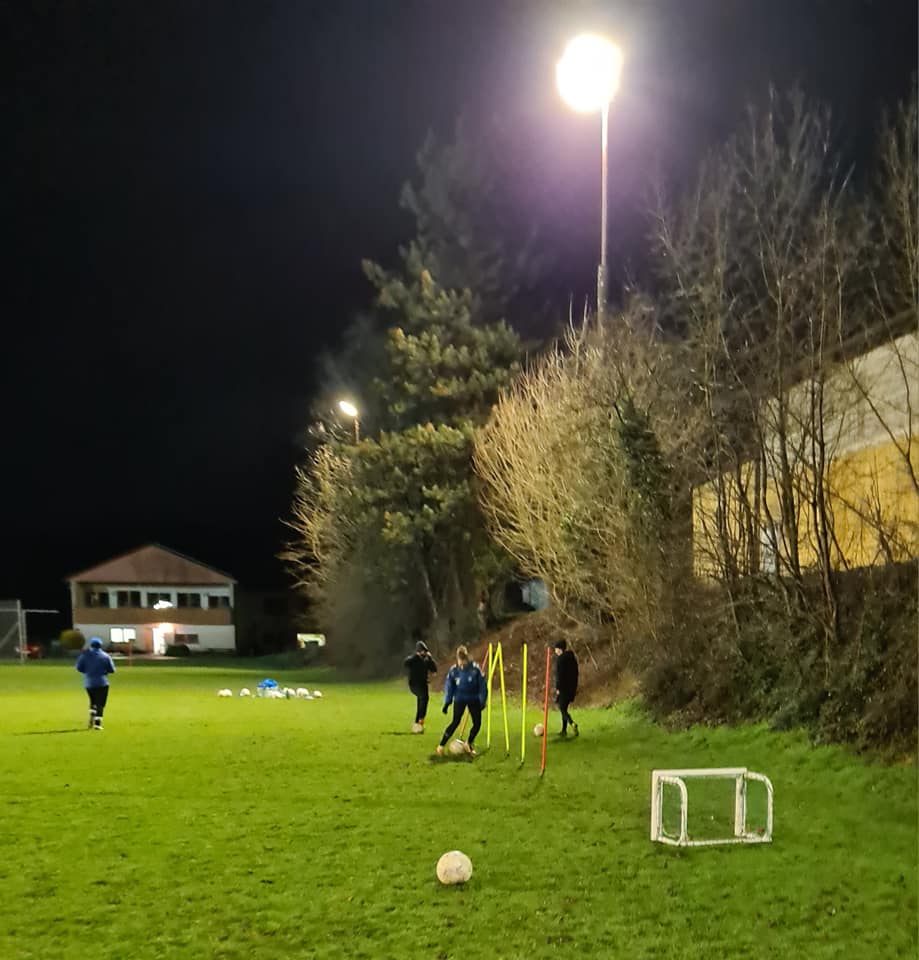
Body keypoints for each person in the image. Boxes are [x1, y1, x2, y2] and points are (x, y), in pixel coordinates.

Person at [436, 645, 487, 757]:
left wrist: (482, 701)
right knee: (455, 722)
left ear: (466, 659)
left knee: (477, 724)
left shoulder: (475, 669)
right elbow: (449, 688)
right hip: (460, 699)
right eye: (460, 661)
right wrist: (447, 702)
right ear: (457, 659)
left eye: (463, 661)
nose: (462, 664)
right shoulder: (454, 671)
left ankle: (468, 743)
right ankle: (441, 746)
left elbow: (482, 686)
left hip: (473, 699)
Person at [75, 637, 116, 730]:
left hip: (89, 683)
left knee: (92, 701)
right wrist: (105, 671)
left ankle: (92, 716)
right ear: (100, 646)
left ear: (91, 645)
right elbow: (112, 670)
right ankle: (97, 724)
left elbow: (78, 667)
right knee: (100, 703)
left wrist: (87, 672)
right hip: (102, 683)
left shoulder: (85, 655)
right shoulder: (105, 656)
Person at [403, 636, 437, 732]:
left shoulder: (426, 660)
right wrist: (416, 656)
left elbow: (434, 669)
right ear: (418, 651)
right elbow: (406, 663)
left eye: (425, 651)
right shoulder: (414, 659)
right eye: (423, 651)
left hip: (423, 684)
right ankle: (420, 721)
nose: (424, 653)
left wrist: (430, 658)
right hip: (414, 684)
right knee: (424, 698)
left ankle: (418, 723)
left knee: (421, 701)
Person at [554, 639, 579, 736]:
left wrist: (558, 688)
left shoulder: (560, 660)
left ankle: (572, 723)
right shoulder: (572, 658)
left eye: (556, 649)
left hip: (564, 689)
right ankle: (564, 730)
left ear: (559, 649)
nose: (555, 651)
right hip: (571, 688)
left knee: (562, 708)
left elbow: (559, 675)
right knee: (564, 708)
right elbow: (576, 673)